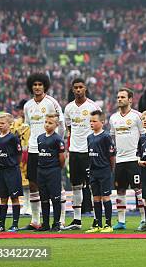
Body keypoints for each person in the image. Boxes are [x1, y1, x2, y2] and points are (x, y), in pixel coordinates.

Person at [21, 73, 64, 231]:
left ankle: (61, 220)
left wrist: (59, 142)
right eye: (34, 84)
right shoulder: (27, 106)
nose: (37, 87)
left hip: (51, 148)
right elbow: (27, 126)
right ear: (31, 86)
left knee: (55, 187)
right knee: (33, 184)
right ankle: (35, 220)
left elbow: (62, 123)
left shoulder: (52, 102)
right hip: (33, 148)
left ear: (45, 86)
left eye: (40, 84)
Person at [64, 78, 101, 230]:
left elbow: (97, 128)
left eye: (81, 87)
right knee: (76, 186)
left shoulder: (93, 106)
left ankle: (96, 219)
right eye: (76, 88)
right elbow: (69, 128)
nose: (78, 90)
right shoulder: (68, 108)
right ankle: (77, 220)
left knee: (92, 186)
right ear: (72, 90)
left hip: (88, 152)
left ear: (85, 88)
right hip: (74, 152)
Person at [109, 88, 145, 230]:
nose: (119, 99)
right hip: (120, 160)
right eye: (118, 97)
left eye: (122, 97)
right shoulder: (113, 118)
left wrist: (141, 155)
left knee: (138, 190)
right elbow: (112, 137)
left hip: (133, 159)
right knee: (120, 190)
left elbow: (144, 136)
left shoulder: (137, 116)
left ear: (130, 99)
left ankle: (143, 219)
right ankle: (121, 221)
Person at [0, 113, 23, 233]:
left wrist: (14, 164)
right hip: (1, 171)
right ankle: (1, 225)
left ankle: (15, 225)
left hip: (12, 171)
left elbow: (19, 154)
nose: (0, 125)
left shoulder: (13, 138)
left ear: (10, 124)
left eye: (2, 123)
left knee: (14, 198)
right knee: (3, 198)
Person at [86, 110, 116, 233]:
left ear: (102, 122)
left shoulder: (106, 137)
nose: (92, 123)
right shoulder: (89, 137)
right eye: (90, 121)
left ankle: (108, 224)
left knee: (106, 197)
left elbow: (112, 156)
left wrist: (110, 170)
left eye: (94, 121)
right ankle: (97, 224)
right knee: (96, 198)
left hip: (104, 170)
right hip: (93, 172)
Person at [36, 114, 66, 232]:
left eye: (50, 123)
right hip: (41, 171)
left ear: (56, 125)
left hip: (53, 171)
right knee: (43, 198)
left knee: (55, 198)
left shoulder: (58, 139)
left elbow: (62, 158)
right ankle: (45, 224)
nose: (47, 124)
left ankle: (56, 223)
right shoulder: (40, 138)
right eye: (46, 122)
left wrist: (57, 168)